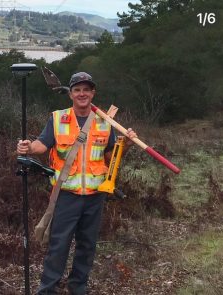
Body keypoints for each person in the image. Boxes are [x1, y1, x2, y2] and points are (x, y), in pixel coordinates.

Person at [17, 72, 137, 295]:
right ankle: (48, 289)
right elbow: (42, 145)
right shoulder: (58, 118)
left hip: (95, 196)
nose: (82, 93)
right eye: (77, 89)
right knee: (58, 246)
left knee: (87, 246)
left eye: (86, 89)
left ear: (93, 93)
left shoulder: (105, 121)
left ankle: (78, 286)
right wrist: (28, 147)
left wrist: (126, 145)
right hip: (67, 195)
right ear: (70, 94)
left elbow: (109, 158)